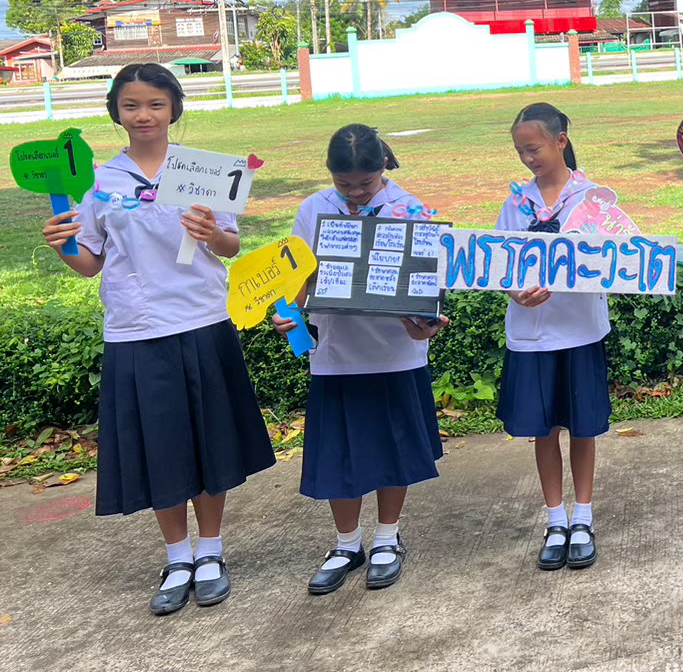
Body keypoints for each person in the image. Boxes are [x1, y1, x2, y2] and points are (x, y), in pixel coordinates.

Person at [41, 62, 274, 615]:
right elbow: (90, 264)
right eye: (131, 105)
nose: (143, 115)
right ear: (115, 112)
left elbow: (230, 246)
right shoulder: (98, 182)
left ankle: (211, 551)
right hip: (137, 329)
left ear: (174, 109)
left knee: (210, 440)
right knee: (160, 446)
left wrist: (214, 233)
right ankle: (177, 557)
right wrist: (62, 245)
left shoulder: (206, 170)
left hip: (202, 320)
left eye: (155, 104)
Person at [271, 124, 448, 595]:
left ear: (382, 168)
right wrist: (288, 315)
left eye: (365, 184)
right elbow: (296, 280)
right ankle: (347, 544)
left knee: (394, 449)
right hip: (336, 354)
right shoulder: (313, 209)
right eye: (343, 184)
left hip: (396, 352)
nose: (354, 194)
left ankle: (388, 538)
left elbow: (427, 283)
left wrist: (425, 322)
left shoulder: (410, 209)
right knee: (339, 454)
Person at [495, 103, 611, 571]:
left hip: (580, 330)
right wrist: (515, 293)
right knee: (543, 430)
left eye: (534, 149)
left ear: (561, 141)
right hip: (532, 335)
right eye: (520, 151)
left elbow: (614, 258)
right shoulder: (515, 203)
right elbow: (498, 264)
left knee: (583, 427)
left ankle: (583, 517)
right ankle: (555, 519)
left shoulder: (593, 199)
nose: (528, 159)